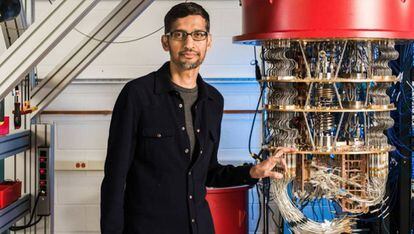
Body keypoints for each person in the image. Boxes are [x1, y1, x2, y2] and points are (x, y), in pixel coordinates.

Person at [100, 2, 293, 234]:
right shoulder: (137, 95)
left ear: (208, 41)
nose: (189, 43)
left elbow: (209, 172)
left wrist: (253, 172)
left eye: (198, 35)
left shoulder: (213, 101)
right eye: (179, 34)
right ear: (165, 42)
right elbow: (114, 177)